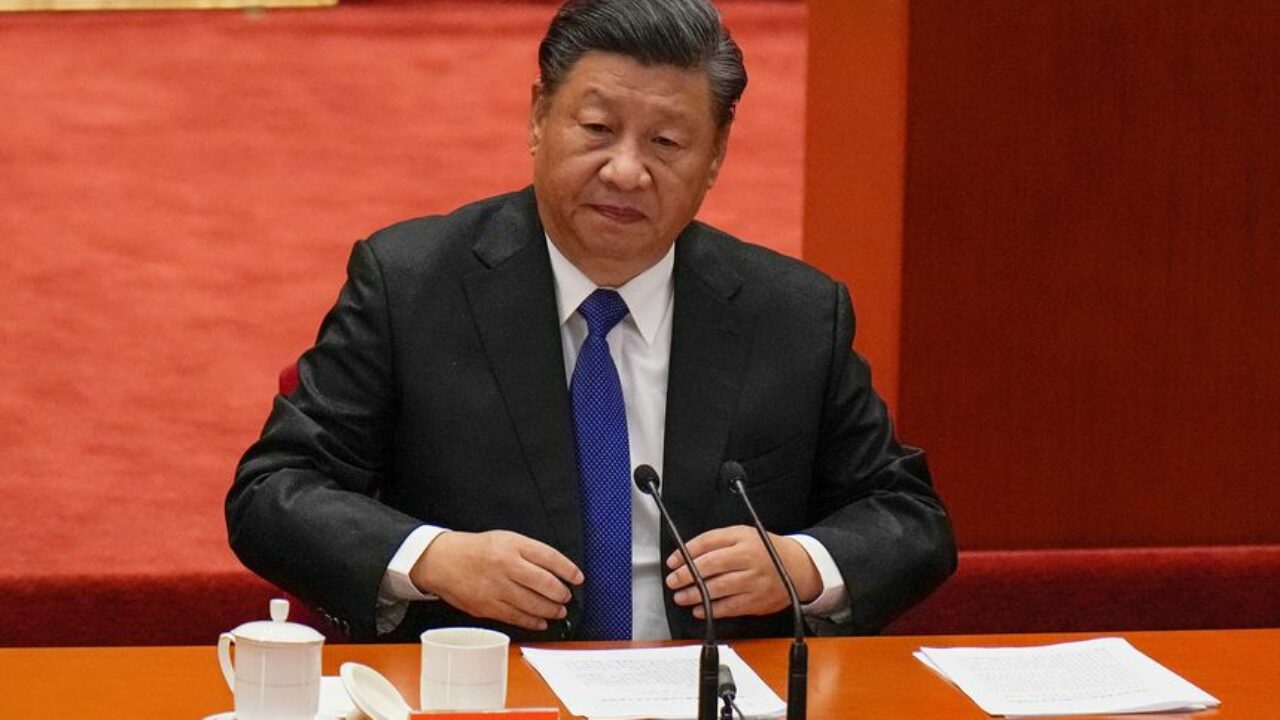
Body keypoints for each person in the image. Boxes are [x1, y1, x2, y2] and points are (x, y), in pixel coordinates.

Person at [226, 0, 956, 643]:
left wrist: (801, 565)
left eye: (667, 143)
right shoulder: (412, 285)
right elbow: (274, 491)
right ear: (539, 118)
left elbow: (909, 517)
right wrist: (434, 558)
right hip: (492, 691)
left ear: (715, 158)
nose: (626, 171)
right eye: (599, 128)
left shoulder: (791, 312)